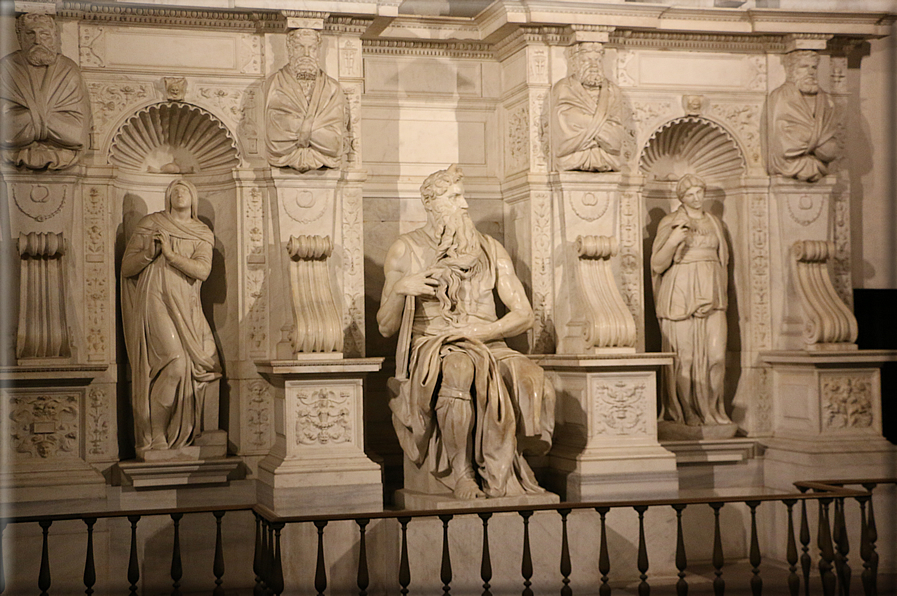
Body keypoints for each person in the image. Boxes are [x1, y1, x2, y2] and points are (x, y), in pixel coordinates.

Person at [378, 165, 555, 500]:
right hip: (436, 345)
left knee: (531, 376)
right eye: (454, 197)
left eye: (463, 196)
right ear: (431, 204)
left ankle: (506, 470)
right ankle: (462, 474)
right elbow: (385, 327)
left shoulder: (490, 249)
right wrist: (403, 288)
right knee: (460, 368)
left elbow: (525, 315)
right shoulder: (406, 249)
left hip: (488, 341)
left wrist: (484, 331)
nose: (465, 205)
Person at [121, 179, 221, 458]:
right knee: (176, 363)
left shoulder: (201, 231)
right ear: (167, 197)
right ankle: (154, 434)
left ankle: (174, 435)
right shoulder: (151, 223)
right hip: (154, 300)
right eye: (174, 188)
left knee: (203, 363)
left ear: (194, 197)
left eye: (185, 188)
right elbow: (127, 267)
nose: (179, 191)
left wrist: (170, 254)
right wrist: (149, 253)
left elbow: (202, 271)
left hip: (187, 306)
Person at [651, 174, 731, 427]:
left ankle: (713, 409)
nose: (696, 198)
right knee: (683, 359)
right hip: (680, 295)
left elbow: (723, 262)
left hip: (713, 294)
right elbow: (657, 264)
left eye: (699, 192)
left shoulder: (715, 223)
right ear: (681, 198)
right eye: (690, 195)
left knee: (716, 356)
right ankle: (686, 413)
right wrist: (674, 239)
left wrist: (718, 292)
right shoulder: (671, 222)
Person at [0, 13, 91, 170]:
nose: (37, 40)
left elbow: (77, 134)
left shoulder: (68, 70)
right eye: (30, 34)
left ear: (54, 36)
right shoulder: (7, 68)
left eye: (44, 34)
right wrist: (53, 124)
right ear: (19, 37)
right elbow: (4, 132)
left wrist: (24, 122)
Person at [265, 28, 348, 172]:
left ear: (318, 52)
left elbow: (334, 144)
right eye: (300, 47)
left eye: (312, 49)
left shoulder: (333, 88)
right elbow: (276, 140)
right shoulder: (274, 84)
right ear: (290, 50)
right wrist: (320, 132)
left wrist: (295, 128)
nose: (306, 54)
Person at [550, 42, 624, 172]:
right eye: (586, 60)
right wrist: (601, 129)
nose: (593, 65)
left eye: (597, 60)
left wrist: (585, 127)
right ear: (575, 63)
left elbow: (616, 140)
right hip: (571, 160)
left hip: (607, 160)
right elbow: (565, 126)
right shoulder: (564, 88)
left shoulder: (613, 91)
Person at [766, 50, 838, 182]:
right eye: (804, 67)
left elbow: (831, 150)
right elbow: (785, 145)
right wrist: (818, 142)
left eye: (814, 67)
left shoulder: (826, 100)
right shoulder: (781, 96)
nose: (811, 72)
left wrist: (805, 137)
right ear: (791, 70)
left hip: (817, 166)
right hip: (788, 165)